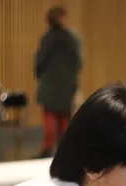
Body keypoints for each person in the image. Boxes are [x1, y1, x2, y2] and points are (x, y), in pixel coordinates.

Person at [35, 6, 83, 158]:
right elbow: (78, 63)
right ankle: (66, 150)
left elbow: (39, 62)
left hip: (49, 85)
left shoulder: (47, 38)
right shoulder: (72, 39)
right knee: (64, 119)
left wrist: (41, 76)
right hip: (67, 84)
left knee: (50, 117)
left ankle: (48, 148)